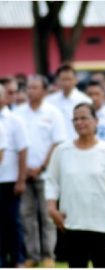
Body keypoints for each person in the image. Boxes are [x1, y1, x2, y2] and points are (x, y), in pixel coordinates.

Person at [45, 103, 105, 267]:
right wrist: (52, 209)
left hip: (102, 226)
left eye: (84, 118)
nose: (80, 122)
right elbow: (52, 181)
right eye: (76, 119)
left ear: (96, 120)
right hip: (72, 223)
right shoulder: (62, 151)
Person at [14, 75, 67, 268]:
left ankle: (48, 255)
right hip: (23, 173)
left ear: (44, 91)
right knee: (26, 215)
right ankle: (32, 255)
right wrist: (24, 169)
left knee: (47, 216)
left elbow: (57, 142)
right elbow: (16, 144)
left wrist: (41, 167)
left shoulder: (53, 113)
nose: (30, 91)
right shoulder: (18, 112)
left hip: (46, 173)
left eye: (35, 88)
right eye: (28, 88)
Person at [0, 84, 29, 267]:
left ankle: (17, 259)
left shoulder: (14, 120)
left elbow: (23, 150)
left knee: (12, 222)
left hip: (9, 179)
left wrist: (21, 179)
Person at [46, 64, 92, 140]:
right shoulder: (49, 101)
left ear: (76, 80)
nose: (66, 83)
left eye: (69, 79)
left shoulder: (85, 101)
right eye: (63, 79)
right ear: (57, 81)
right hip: (56, 145)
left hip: (78, 144)